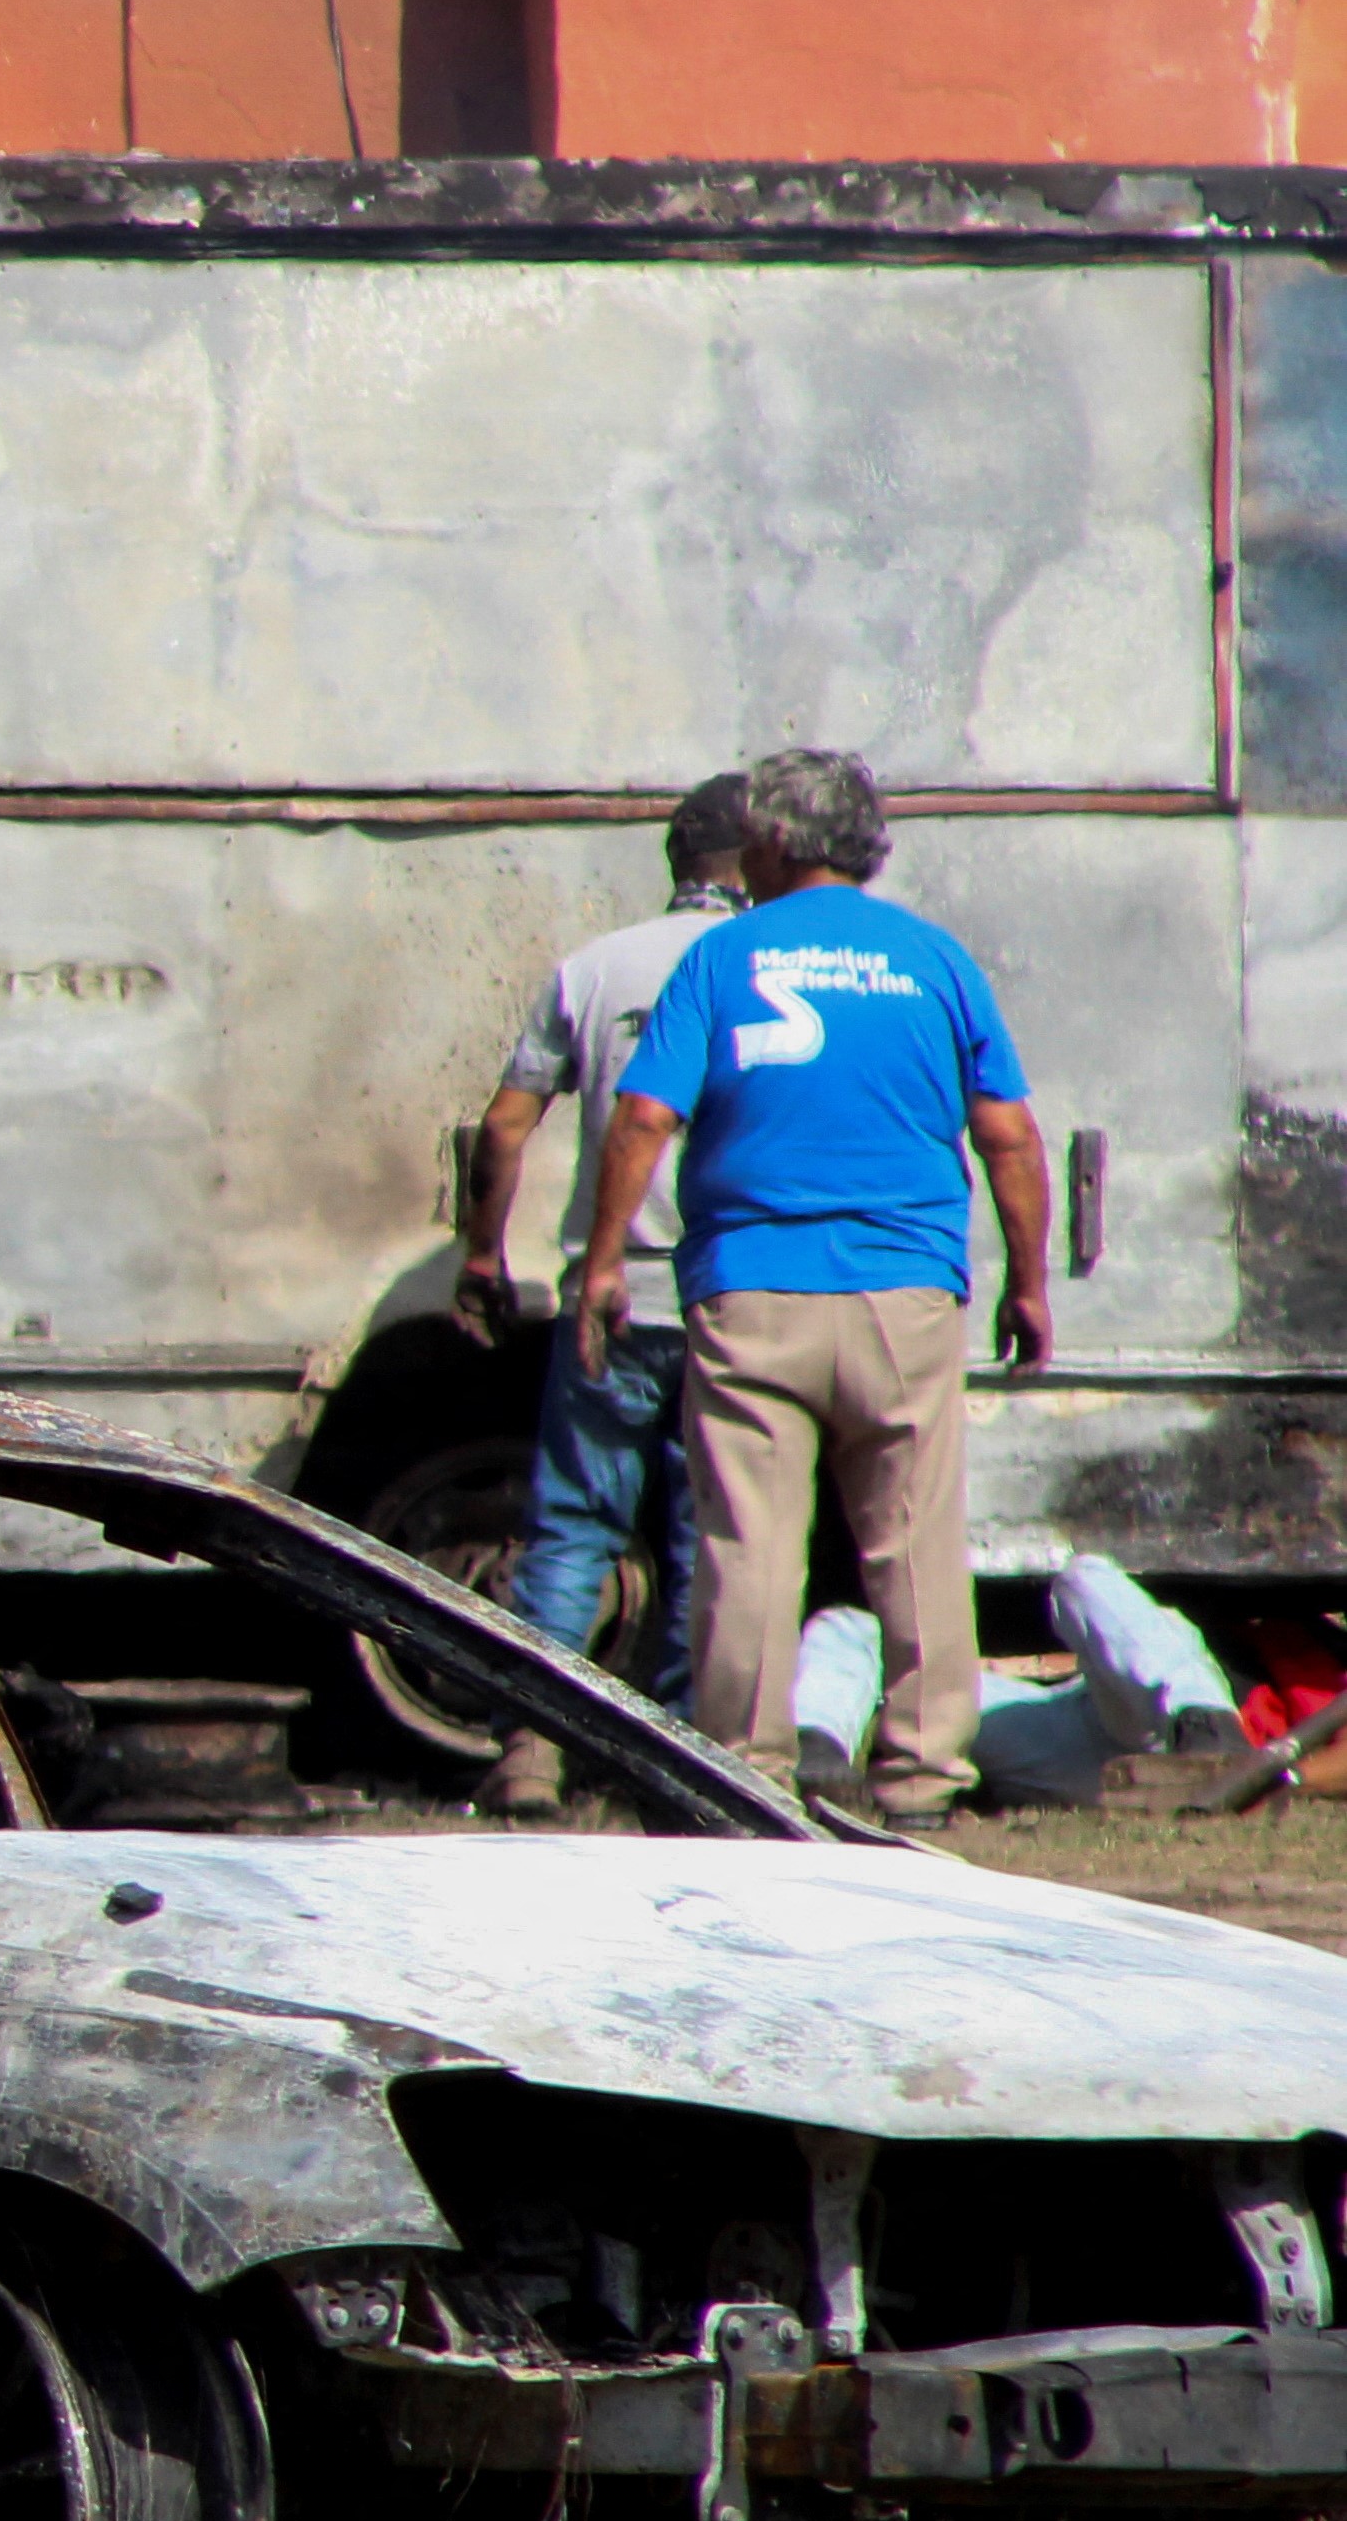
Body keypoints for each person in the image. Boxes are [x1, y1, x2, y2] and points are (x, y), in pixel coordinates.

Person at [576, 747, 1054, 1820]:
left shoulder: (719, 957)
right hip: (903, 1294)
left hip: (752, 1289)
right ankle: (922, 1775)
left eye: (750, 834)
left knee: (747, 1547)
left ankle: (748, 1771)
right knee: (915, 1541)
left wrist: (604, 1259)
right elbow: (1009, 1136)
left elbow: (644, 1115)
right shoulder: (934, 960)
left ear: (777, 842)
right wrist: (1027, 1283)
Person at [455, 772, 752, 1814]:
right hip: (728, 1299)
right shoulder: (765, 966)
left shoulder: (593, 967)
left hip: (608, 1295)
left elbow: (502, 1126)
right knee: (706, 1534)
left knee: (574, 1523)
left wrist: (482, 1255)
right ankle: (678, 1759)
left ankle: (530, 1748)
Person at [789, 1556, 1265, 1808]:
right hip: (1067, 1729)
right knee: (850, 1626)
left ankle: (1209, 1729)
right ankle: (816, 1746)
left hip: (1155, 1731)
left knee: (1088, 1578)